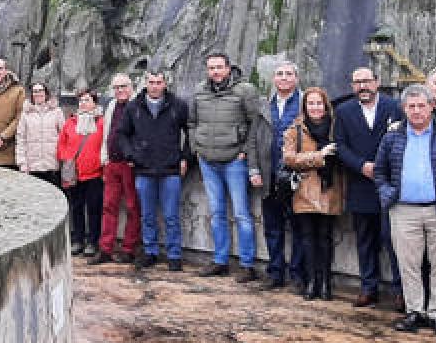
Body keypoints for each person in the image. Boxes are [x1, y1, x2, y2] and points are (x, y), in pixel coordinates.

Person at [374, 84, 436, 338]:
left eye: (421, 105)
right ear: (404, 109)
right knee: (409, 265)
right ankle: (414, 311)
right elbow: (379, 172)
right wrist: (388, 194)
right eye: (411, 106)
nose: (417, 111)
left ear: (431, 106)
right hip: (404, 211)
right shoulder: (392, 137)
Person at [334, 66, 405, 309]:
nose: (362, 86)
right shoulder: (343, 111)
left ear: (377, 82)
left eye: (366, 81)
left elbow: (403, 141)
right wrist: (361, 165)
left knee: (393, 240)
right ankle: (368, 288)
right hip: (360, 183)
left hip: (390, 186)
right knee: (365, 239)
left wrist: (383, 168)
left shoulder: (394, 107)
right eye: (357, 82)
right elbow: (340, 146)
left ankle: (401, 290)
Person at [189, 53, 261, 282]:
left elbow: (256, 124)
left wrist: (246, 153)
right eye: (211, 68)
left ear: (229, 68)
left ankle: (247, 264)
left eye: (219, 67)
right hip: (207, 160)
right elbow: (191, 122)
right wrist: (196, 147)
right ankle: (220, 260)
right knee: (217, 213)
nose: (215, 72)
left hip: (234, 161)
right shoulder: (200, 91)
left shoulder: (245, 91)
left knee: (242, 214)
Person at [118, 71, 191, 270]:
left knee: (171, 216)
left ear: (165, 83)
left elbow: (190, 132)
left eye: (159, 82)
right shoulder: (134, 107)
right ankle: (150, 251)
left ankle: (174, 255)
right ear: (145, 83)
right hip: (144, 169)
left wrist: (185, 157)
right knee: (147, 215)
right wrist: (130, 155)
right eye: (151, 82)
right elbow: (122, 134)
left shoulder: (178, 105)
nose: (155, 86)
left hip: (170, 168)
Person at [282, 87, 346, 300]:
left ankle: (326, 283)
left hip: (330, 188)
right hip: (305, 189)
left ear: (326, 105)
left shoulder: (336, 127)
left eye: (319, 103)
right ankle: (311, 282)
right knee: (307, 238)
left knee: (325, 238)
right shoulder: (296, 129)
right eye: (311, 104)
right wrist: (319, 156)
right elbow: (289, 159)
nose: (315, 108)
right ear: (305, 106)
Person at [256, 61, 306, 290]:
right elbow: (253, 137)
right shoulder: (264, 105)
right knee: (272, 227)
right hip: (270, 175)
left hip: (296, 177)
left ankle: (297, 274)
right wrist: (253, 169)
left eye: (289, 74)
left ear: (296, 79)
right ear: (273, 79)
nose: (284, 78)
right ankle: (275, 272)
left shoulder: (306, 103)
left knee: (298, 227)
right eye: (280, 74)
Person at [93, 74, 141, 265]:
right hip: (112, 162)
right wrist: (104, 158)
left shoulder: (138, 105)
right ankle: (105, 248)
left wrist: (135, 158)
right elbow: (106, 134)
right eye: (116, 87)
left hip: (129, 164)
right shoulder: (112, 105)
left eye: (123, 86)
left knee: (132, 207)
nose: (120, 90)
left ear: (131, 87)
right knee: (108, 206)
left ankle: (129, 249)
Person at [58, 89, 105, 257]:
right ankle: (78, 239)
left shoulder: (101, 122)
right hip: (75, 173)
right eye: (81, 101)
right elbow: (62, 143)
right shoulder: (70, 122)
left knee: (94, 209)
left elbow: (105, 144)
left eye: (87, 100)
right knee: (76, 208)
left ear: (94, 103)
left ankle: (93, 241)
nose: (83, 104)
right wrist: (67, 158)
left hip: (94, 173)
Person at [16, 82, 66, 189]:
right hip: (33, 166)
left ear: (46, 93)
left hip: (52, 165)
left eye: (40, 90)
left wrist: (63, 162)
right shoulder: (26, 114)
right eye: (35, 91)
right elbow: (21, 139)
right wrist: (22, 162)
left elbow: (64, 137)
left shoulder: (57, 112)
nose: (38, 93)